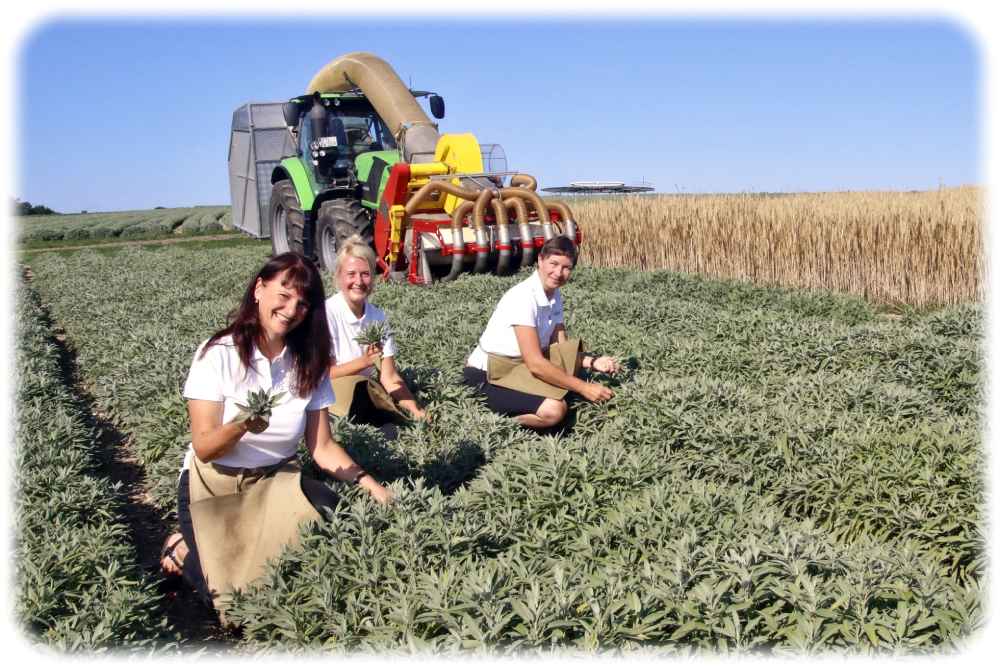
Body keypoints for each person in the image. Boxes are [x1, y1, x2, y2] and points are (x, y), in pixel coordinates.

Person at [159, 252, 391, 614]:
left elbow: (323, 447)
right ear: (259, 290)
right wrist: (242, 425)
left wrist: (374, 487)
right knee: (231, 604)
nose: (290, 309)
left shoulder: (308, 363)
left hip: (274, 480)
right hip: (216, 484)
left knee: (332, 518)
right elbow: (204, 447)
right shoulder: (218, 354)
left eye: (302, 303)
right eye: (283, 295)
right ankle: (181, 549)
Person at [463, 235, 621, 429]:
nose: (558, 273)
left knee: (567, 386)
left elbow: (561, 350)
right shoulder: (523, 297)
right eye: (553, 264)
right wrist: (584, 387)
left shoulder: (554, 294)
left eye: (566, 267)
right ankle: (492, 424)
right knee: (555, 409)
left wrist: (593, 362)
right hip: (487, 375)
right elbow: (536, 364)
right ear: (540, 260)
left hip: (517, 368)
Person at [325, 235, 426, 426]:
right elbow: (323, 375)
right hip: (332, 403)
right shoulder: (326, 314)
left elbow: (389, 376)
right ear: (338, 276)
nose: (359, 281)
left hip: (363, 395)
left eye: (365, 274)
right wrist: (363, 362)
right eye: (351, 274)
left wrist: (415, 410)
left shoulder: (377, 316)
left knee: (395, 429)